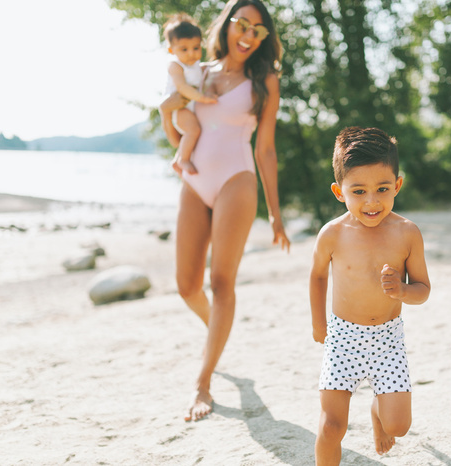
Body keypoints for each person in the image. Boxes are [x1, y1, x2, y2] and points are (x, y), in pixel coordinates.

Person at [170, 0, 291, 422]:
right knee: (186, 286)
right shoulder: (197, 72)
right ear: (228, 25)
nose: (248, 34)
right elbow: (176, 129)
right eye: (243, 24)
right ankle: (216, 333)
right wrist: (169, 114)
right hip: (194, 180)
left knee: (221, 283)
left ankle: (202, 381)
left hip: (236, 181)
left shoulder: (265, 82)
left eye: (258, 30)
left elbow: (267, 149)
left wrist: (275, 213)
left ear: (263, 39)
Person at [309, 127, 431, 464]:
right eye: (359, 191)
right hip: (343, 339)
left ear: (398, 185)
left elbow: (423, 290)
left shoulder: (407, 233)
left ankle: (379, 412)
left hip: (387, 341)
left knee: (400, 426)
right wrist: (319, 323)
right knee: (332, 426)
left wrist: (403, 290)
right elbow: (318, 275)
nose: (372, 201)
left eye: (382, 189)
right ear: (339, 191)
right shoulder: (332, 234)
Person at [158, 13, 217, 175]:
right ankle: (183, 159)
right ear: (171, 50)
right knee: (193, 131)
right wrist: (203, 98)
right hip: (179, 108)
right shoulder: (175, 66)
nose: (191, 53)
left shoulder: (195, 64)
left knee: (193, 133)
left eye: (196, 48)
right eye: (184, 49)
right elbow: (182, 87)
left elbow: (202, 69)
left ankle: (177, 161)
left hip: (189, 107)